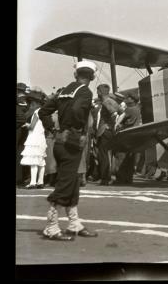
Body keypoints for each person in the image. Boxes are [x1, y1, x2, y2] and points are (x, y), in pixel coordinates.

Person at [37, 60, 100, 241]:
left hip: (59, 143)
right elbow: (76, 111)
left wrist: (53, 129)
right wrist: (75, 129)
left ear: (75, 75)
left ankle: (74, 223)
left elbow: (43, 112)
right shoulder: (86, 92)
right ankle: (51, 226)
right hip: (72, 144)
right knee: (65, 185)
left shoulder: (63, 92)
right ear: (92, 77)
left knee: (72, 184)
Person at [20, 90, 48, 189]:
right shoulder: (44, 112)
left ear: (37, 103)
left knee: (33, 161)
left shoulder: (36, 112)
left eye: (32, 102)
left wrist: (26, 125)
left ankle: (33, 182)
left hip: (34, 138)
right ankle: (40, 181)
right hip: (41, 138)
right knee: (41, 161)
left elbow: (32, 127)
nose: (31, 104)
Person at [114, 94, 142, 184]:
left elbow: (124, 122)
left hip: (126, 135)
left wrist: (118, 126)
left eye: (128, 98)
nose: (126, 99)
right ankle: (128, 178)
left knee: (121, 156)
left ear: (133, 100)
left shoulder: (129, 109)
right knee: (130, 158)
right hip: (133, 136)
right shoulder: (137, 109)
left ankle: (120, 178)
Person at [17, 82, 31, 186]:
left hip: (19, 130)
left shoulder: (19, 101)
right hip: (26, 131)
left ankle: (19, 178)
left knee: (19, 153)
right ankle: (23, 177)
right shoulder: (28, 101)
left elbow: (21, 117)